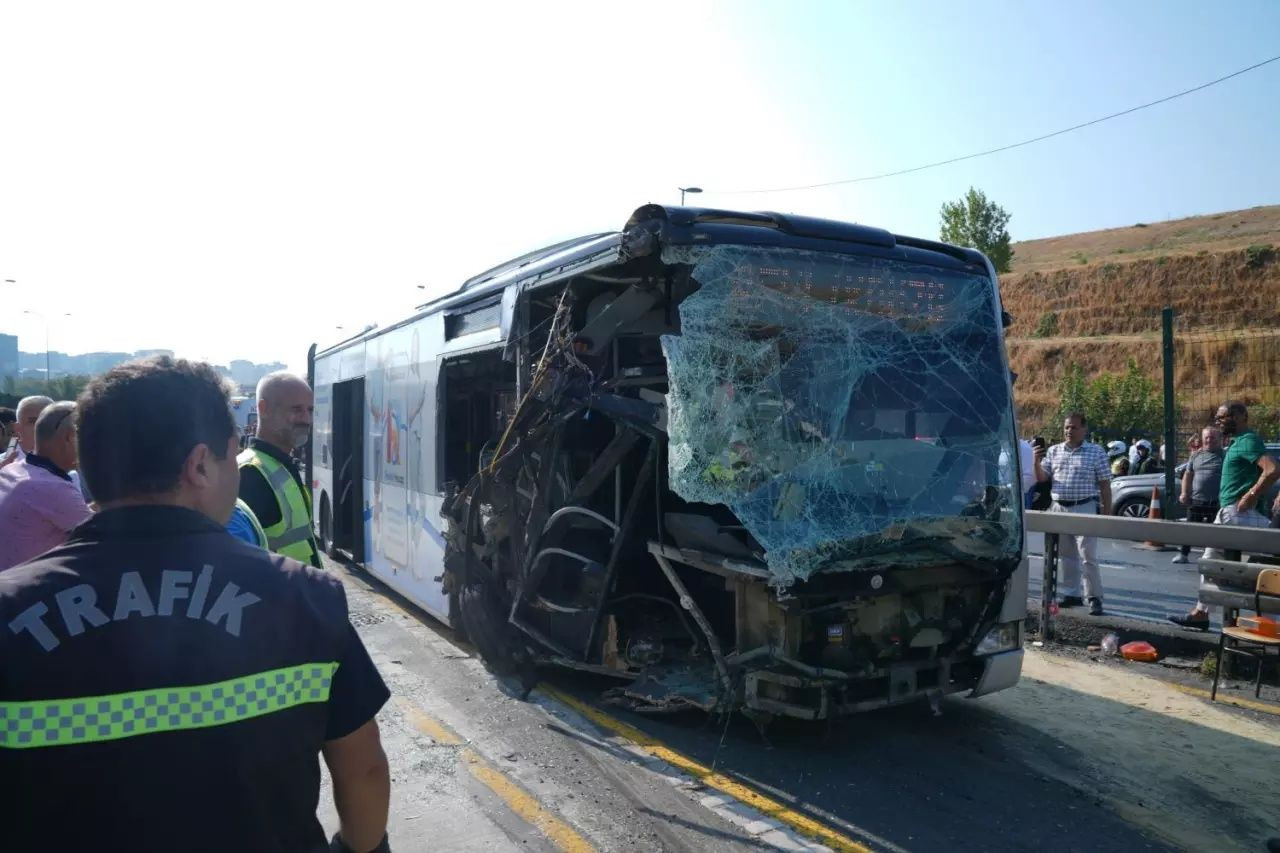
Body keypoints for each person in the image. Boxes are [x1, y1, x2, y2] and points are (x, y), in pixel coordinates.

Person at [0, 356, 390, 851]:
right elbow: (365, 768)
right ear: (201, 464)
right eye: (234, 454)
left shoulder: (10, 610)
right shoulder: (308, 598)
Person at [1169, 400, 1280, 630]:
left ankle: (1269, 623)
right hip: (1231, 512)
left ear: (1239, 416)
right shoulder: (1237, 442)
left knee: (1263, 569)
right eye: (1217, 418)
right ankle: (1201, 613)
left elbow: (1272, 470)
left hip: (1239, 513)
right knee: (1211, 563)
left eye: (1223, 417)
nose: (1218, 421)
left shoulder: (1248, 441)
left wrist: (1250, 495)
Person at [238, 372, 322, 568]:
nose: (306, 419)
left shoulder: (281, 465)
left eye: (310, 410)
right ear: (263, 409)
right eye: (296, 409)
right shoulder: (249, 473)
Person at [1035, 411, 1113, 616]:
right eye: (1067, 427)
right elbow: (1043, 477)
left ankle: (1094, 597)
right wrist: (1036, 462)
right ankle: (1072, 593)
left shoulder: (1095, 452)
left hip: (1084, 506)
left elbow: (1105, 484)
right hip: (1058, 507)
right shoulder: (1054, 451)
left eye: (1074, 427)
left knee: (1088, 555)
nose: (1069, 431)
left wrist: (1107, 512)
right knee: (1066, 554)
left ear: (1084, 430)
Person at [0, 401, 92, 570]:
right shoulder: (53, 488)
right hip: (27, 592)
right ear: (69, 436)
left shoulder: (12, 470)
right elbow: (105, 534)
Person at [1172, 426, 1223, 565]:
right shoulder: (1196, 455)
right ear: (1202, 439)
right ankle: (1183, 554)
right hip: (1196, 499)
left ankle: (1211, 557)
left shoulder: (1224, 456)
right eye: (1206, 437)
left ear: (1219, 439)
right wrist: (1184, 493)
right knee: (1190, 529)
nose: (1209, 440)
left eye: (1212, 437)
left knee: (1216, 531)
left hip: (1216, 501)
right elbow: (1188, 476)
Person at [0, 394, 53, 470]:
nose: (44, 427)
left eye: (51, 421)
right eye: (34, 421)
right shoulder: (3, 466)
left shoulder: (71, 471)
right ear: (17, 428)